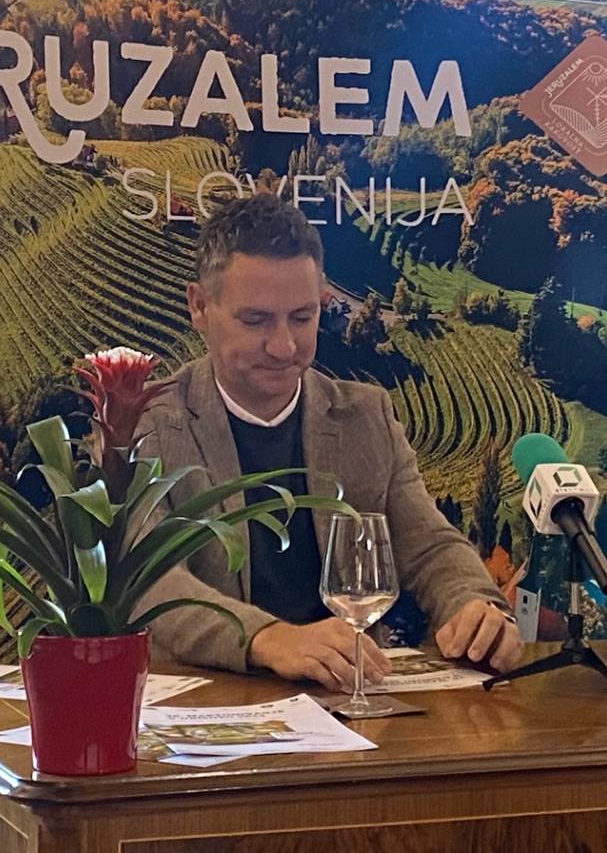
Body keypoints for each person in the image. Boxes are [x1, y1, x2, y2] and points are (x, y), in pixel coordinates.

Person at [134, 194, 522, 690]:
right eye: (255, 321)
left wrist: (474, 604)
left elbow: (429, 547)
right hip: (203, 702)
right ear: (199, 307)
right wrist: (269, 639)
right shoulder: (147, 424)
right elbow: (150, 580)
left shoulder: (367, 415)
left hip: (345, 696)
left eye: (302, 317)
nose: (284, 346)